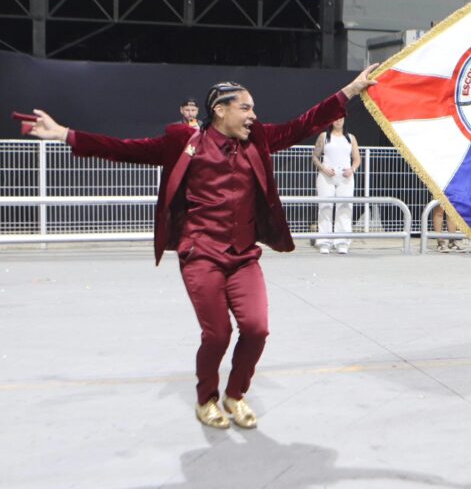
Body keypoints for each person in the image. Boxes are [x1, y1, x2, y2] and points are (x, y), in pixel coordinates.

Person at [25, 65, 378, 429]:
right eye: (245, 108)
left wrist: (350, 90)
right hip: (201, 253)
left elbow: (302, 125)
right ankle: (206, 398)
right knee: (217, 334)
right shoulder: (185, 141)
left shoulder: (257, 138)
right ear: (220, 110)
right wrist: (65, 134)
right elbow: (124, 149)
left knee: (257, 329)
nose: (253, 115)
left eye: (253, 109)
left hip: (243, 256)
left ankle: (235, 394)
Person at [312, 117, 360, 255]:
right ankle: (324, 242)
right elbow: (315, 157)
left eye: (341, 118)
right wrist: (323, 168)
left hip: (345, 178)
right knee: (325, 207)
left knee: (345, 208)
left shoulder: (351, 138)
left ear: (344, 120)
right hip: (326, 177)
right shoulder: (324, 136)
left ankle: (342, 242)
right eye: (335, 118)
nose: (338, 121)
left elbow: (357, 159)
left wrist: (352, 169)